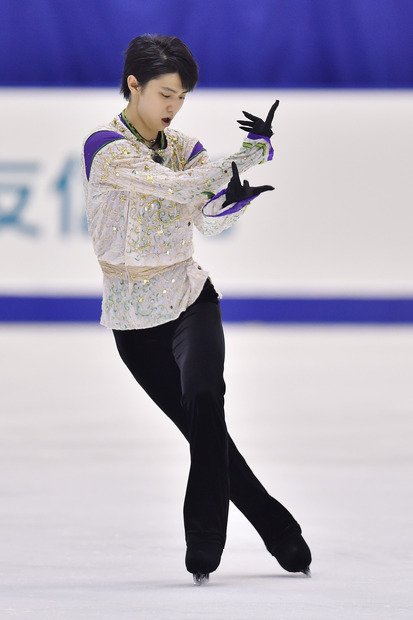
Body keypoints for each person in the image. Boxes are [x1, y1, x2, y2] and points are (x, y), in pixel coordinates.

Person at [82, 34, 311, 584]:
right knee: (205, 433)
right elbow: (178, 188)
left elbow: (204, 217)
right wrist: (249, 154)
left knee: (206, 397)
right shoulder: (104, 147)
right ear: (133, 85)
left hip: (190, 297)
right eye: (165, 94)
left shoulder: (185, 143)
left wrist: (233, 204)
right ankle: (277, 526)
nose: (173, 107)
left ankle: (204, 541)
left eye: (181, 97)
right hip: (135, 323)